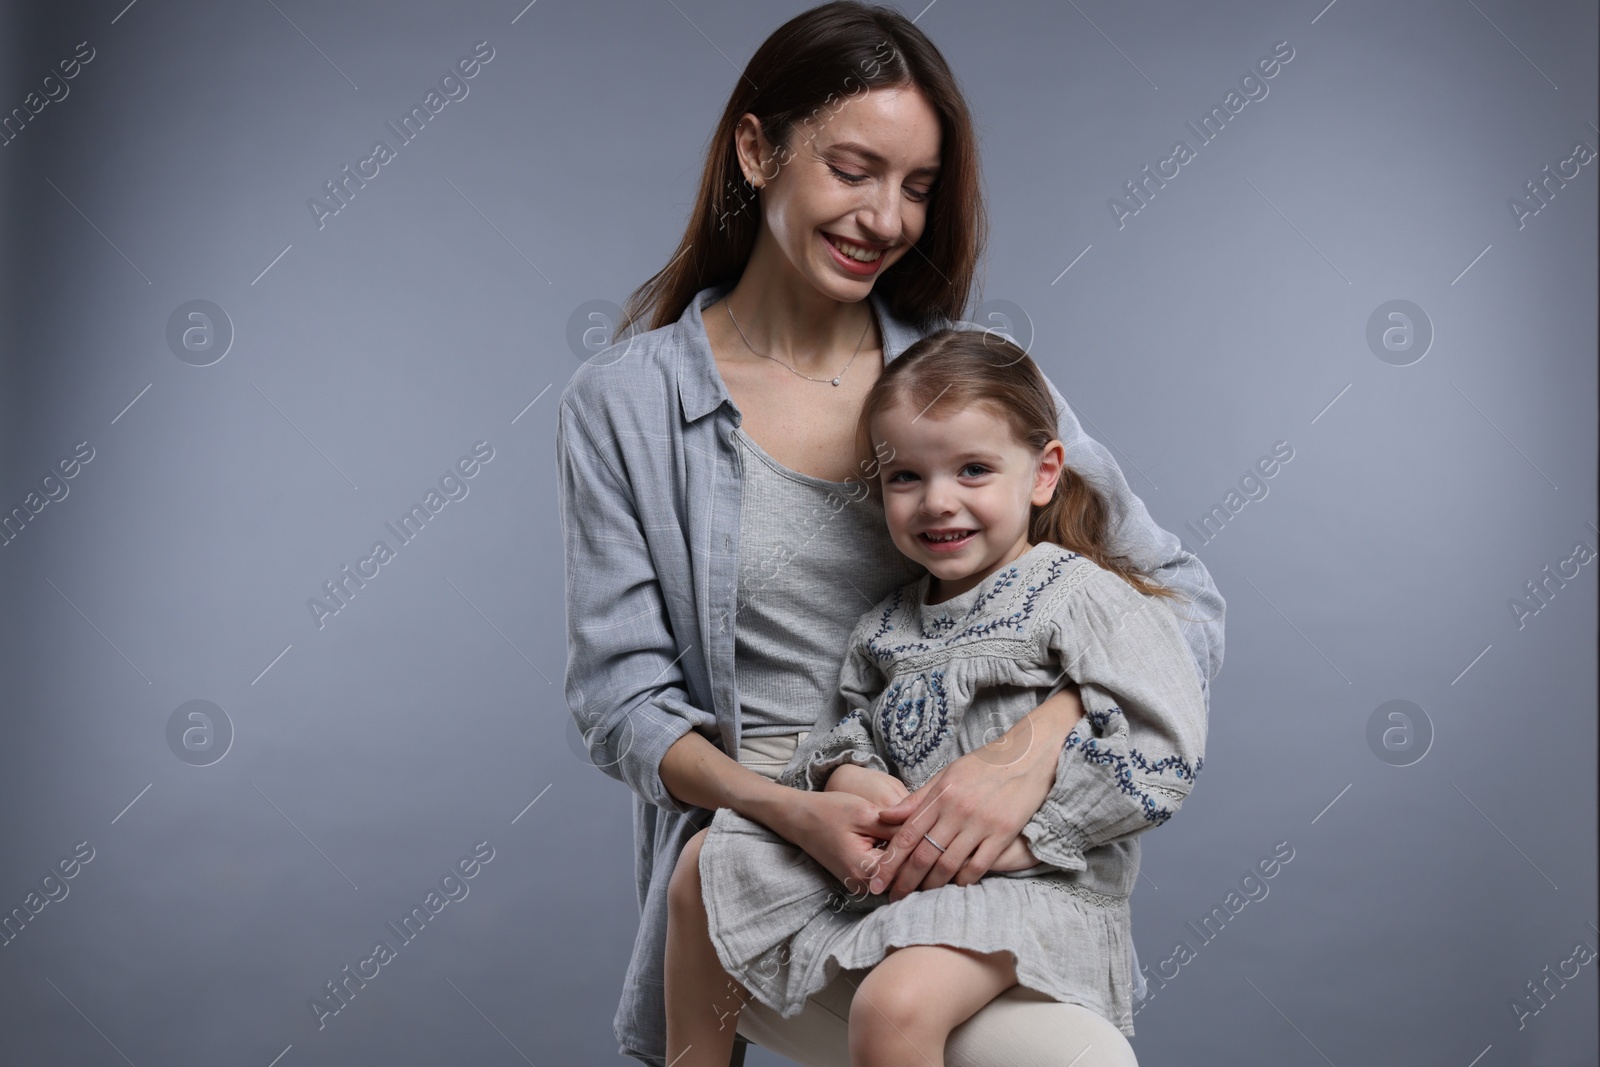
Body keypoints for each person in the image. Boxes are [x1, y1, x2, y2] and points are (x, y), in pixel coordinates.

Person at [554, 4, 1225, 1064]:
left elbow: (1178, 601)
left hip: (973, 860)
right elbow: (621, 705)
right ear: (756, 148)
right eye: (855, 169)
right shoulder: (626, 405)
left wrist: (1029, 745)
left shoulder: (972, 378)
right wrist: (796, 804)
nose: (887, 217)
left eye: (916, 186)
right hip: (774, 860)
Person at [663, 330, 1209, 1067]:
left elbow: (1159, 750)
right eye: (905, 477)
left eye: (975, 469)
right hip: (915, 880)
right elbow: (845, 731)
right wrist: (854, 776)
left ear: (1044, 471)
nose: (938, 501)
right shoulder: (886, 624)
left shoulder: (1080, 597)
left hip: (1041, 889)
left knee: (895, 1005)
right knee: (706, 859)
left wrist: (1018, 846)